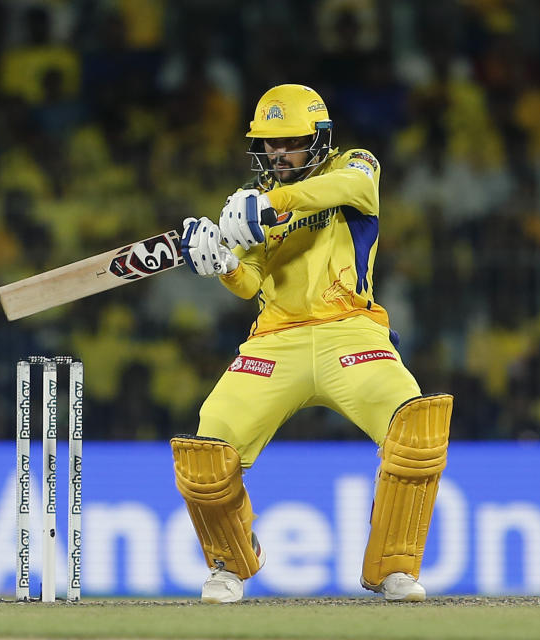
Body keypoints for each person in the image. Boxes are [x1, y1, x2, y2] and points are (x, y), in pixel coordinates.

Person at [171, 84, 453, 603]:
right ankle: (229, 564)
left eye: (291, 141)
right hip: (275, 341)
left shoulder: (356, 165)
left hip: (352, 331)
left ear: (320, 138)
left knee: (415, 429)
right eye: (269, 143)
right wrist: (223, 263)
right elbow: (251, 282)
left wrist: (270, 204)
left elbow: (347, 190)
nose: (277, 153)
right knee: (209, 447)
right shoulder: (249, 203)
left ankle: (394, 568)